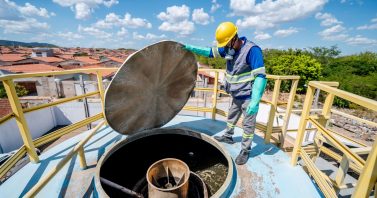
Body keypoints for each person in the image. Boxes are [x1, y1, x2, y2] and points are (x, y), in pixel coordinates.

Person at [182, 22, 267, 165]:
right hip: (236, 94)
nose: (226, 47)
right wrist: (191, 48)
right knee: (231, 117)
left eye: (227, 43)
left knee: (248, 126)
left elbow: (260, 76)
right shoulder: (228, 48)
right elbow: (210, 52)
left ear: (235, 38)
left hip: (248, 96)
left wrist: (255, 101)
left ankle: (245, 150)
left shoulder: (252, 50)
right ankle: (228, 136)